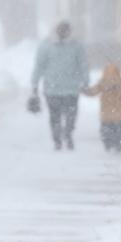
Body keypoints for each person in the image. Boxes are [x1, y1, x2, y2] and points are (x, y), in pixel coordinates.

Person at [31, 20, 90, 151]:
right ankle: (57, 139)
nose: (63, 32)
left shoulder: (77, 46)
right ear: (56, 30)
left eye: (66, 29)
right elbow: (39, 66)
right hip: (53, 89)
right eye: (61, 29)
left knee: (71, 117)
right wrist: (34, 84)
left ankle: (68, 134)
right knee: (55, 117)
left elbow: (83, 65)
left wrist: (85, 81)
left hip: (71, 89)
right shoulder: (46, 45)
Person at [83, 62, 121, 152]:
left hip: (106, 115)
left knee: (106, 131)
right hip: (119, 115)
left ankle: (108, 144)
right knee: (119, 132)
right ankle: (118, 145)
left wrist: (84, 91)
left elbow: (92, 92)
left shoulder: (103, 83)